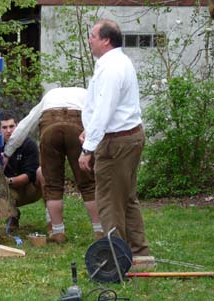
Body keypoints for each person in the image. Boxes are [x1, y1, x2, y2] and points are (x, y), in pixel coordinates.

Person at [78, 19, 150, 256]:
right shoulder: (116, 62)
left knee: (109, 201)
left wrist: (88, 149)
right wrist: (90, 130)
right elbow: (103, 108)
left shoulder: (112, 67)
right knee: (126, 198)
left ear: (106, 40)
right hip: (126, 137)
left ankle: (116, 259)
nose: (90, 39)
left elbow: (104, 110)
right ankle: (139, 254)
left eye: (93, 36)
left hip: (117, 142)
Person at [4, 89, 103, 243]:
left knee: (52, 184)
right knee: (88, 183)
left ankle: (57, 232)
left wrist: (7, 153)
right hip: (76, 126)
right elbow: (99, 119)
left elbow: (25, 126)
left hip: (49, 125)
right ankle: (99, 231)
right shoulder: (88, 94)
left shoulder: (49, 96)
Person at [0, 110, 42, 232]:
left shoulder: (29, 144)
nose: (8, 130)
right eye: (4, 127)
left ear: (17, 126)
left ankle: (52, 221)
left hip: (29, 189)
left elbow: (30, 174)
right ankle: (12, 215)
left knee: (42, 172)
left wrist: (8, 181)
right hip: (7, 191)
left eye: (12, 126)